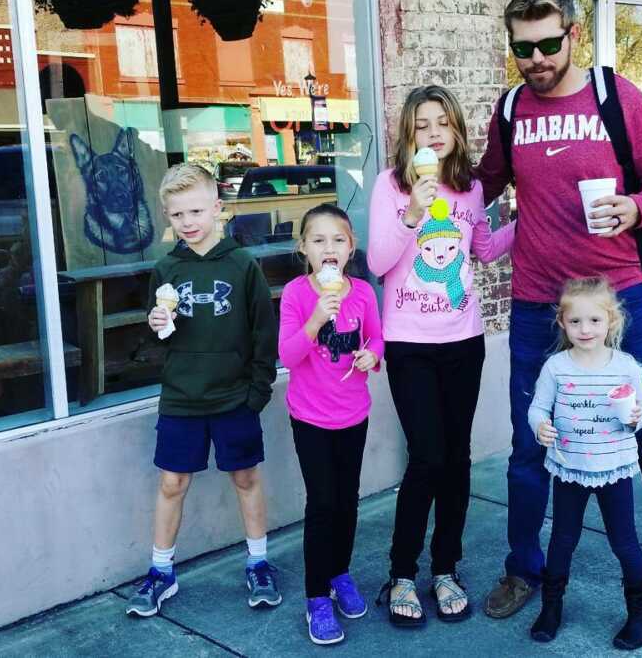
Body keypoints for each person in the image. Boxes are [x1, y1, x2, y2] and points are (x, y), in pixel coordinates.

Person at [476, 0, 642, 630]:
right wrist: (426, 193)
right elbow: (483, 184)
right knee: (530, 446)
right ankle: (521, 568)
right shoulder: (510, 110)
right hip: (538, 307)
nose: (535, 58)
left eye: (547, 43)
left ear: (573, 35)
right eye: (522, 47)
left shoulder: (616, 97)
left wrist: (636, 207)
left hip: (617, 301)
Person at [367, 85, 515, 627]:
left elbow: (485, 250)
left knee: (456, 459)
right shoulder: (390, 186)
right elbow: (379, 262)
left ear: (455, 132)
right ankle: (402, 572)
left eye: (442, 123)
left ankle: (445, 568)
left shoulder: (471, 190)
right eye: (421, 125)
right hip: (409, 343)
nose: (432, 133)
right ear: (409, 136)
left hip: (463, 339)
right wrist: (411, 212)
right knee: (427, 457)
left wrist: (535, 218)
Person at [125, 164, 279, 617]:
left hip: (235, 397)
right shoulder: (166, 268)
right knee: (171, 482)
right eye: (177, 215)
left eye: (196, 210)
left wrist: (257, 394)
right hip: (181, 398)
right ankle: (160, 572)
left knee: (246, 477)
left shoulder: (242, 266)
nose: (188, 222)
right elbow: (161, 336)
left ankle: (258, 562)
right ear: (167, 218)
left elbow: (262, 335)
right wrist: (158, 326)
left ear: (218, 209)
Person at [528, 277, 642, 650]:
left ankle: (641, 616)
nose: (585, 329)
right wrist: (540, 427)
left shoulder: (626, 367)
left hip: (614, 467)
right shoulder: (556, 367)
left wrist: (634, 418)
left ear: (611, 321)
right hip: (569, 467)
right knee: (562, 540)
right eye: (575, 322)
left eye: (594, 321)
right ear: (562, 323)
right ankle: (551, 609)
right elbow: (538, 407)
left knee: (624, 541)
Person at [278, 203, 384, 645]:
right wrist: (319, 316)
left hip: (352, 413)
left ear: (351, 247)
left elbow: (376, 336)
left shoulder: (362, 292)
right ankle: (316, 596)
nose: (329, 248)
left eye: (338, 240)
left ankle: (340, 572)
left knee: (347, 501)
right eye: (318, 240)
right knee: (322, 504)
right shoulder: (296, 294)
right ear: (303, 248)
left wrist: (373, 355)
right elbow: (287, 355)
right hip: (310, 417)